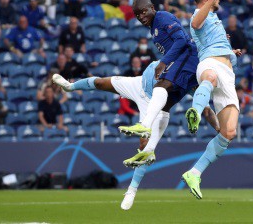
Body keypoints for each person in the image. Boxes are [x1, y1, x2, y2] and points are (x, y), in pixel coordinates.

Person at [53, 60, 219, 210]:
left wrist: (218, 128)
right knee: (101, 82)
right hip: (137, 84)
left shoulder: (193, 80)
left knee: (145, 148)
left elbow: (206, 109)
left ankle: (131, 190)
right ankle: (70, 86)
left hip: (156, 108)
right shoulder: (180, 50)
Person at [177, 0, 242, 200]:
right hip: (210, 66)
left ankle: (194, 172)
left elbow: (209, 37)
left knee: (229, 132)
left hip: (228, 73)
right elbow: (195, 23)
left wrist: (230, 51)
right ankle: (195, 110)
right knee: (210, 78)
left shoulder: (213, 18)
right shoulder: (199, 14)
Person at [117, 0, 202, 162]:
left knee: (160, 87)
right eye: (137, 15)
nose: (141, 17)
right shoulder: (153, 27)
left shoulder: (163, 17)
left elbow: (181, 40)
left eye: (143, 12)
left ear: (152, 8)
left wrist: (164, 62)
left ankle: (145, 126)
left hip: (187, 59)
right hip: (183, 64)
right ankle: (149, 149)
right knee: (166, 105)